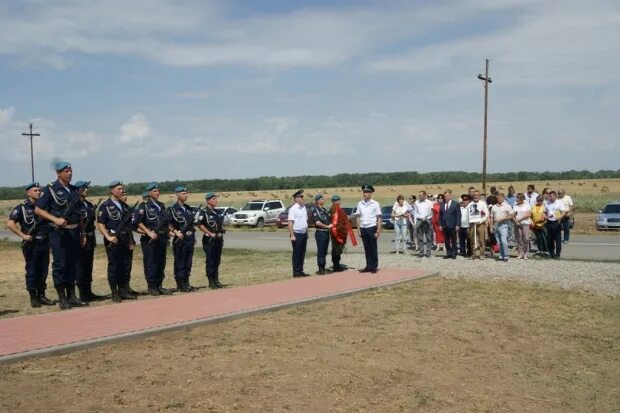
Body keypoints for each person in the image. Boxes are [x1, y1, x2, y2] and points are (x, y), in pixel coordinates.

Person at [35, 161, 88, 309]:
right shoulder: (50, 189)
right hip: (58, 233)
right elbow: (38, 210)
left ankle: (72, 296)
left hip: (74, 231)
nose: (69, 173)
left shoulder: (73, 190)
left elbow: (79, 214)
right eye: (66, 171)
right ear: (58, 173)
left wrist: (82, 232)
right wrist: (55, 219)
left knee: (73, 264)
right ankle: (62, 297)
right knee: (61, 265)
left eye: (70, 170)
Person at [6, 182, 54, 308]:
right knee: (32, 270)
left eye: (39, 190)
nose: (38, 192)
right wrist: (22, 235)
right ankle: (33, 296)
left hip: (44, 242)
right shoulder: (21, 207)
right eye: (35, 190)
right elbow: (10, 223)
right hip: (31, 244)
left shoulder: (44, 207)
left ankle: (41, 295)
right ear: (28, 193)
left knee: (43, 270)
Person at [97, 181, 137, 302]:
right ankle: (114, 292)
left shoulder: (125, 206)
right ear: (112, 190)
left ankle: (123, 290)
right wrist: (108, 237)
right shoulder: (106, 206)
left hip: (125, 239)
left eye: (122, 189)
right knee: (114, 266)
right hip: (113, 240)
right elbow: (100, 223)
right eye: (119, 189)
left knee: (125, 266)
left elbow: (129, 226)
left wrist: (130, 240)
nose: (121, 191)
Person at [136, 182, 173, 296]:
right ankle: (152, 286)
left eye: (158, 191)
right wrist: (148, 232)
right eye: (155, 191)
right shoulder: (144, 206)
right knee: (151, 263)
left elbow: (165, 223)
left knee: (161, 262)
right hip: (149, 240)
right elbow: (138, 221)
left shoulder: (161, 205)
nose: (157, 193)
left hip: (161, 237)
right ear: (149, 193)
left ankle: (159, 285)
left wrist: (169, 234)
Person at [74, 180, 106, 302]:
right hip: (80, 238)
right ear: (77, 190)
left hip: (90, 238)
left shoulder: (89, 205)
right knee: (80, 266)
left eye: (87, 188)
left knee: (88, 265)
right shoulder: (75, 205)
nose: (86, 190)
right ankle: (82, 293)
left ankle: (88, 291)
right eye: (83, 188)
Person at [169, 186, 197, 292]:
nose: (185, 195)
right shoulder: (172, 209)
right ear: (177, 195)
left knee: (188, 262)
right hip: (179, 240)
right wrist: (175, 232)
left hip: (189, 239)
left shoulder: (189, 208)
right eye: (183, 194)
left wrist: (193, 236)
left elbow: (191, 225)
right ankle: (180, 284)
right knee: (180, 262)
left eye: (186, 193)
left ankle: (187, 282)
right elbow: (168, 224)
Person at [197, 192, 225, 288]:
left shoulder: (218, 212)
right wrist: (209, 233)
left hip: (218, 239)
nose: (216, 200)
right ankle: (211, 281)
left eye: (216, 199)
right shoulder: (204, 212)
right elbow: (200, 225)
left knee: (217, 260)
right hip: (209, 240)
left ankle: (216, 279)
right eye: (213, 199)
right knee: (210, 260)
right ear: (208, 201)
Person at [355, 185, 381, 273]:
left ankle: (374, 267)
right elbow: (358, 217)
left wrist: (378, 230)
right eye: (364, 192)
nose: (365, 193)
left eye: (367, 192)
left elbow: (379, 218)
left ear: (371, 193)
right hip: (363, 227)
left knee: (373, 248)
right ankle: (368, 266)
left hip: (372, 227)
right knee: (366, 248)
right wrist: (358, 230)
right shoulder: (360, 203)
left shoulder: (375, 203)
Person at [329, 194, 356, 272]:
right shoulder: (334, 209)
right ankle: (336, 266)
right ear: (334, 201)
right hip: (336, 233)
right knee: (336, 249)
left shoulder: (338, 209)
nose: (340, 202)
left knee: (338, 249)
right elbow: (335, 222)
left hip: (340, 232)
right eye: (338, 200)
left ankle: (337, 264)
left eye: (339, 200)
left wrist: (347, 222)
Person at [288, 189, 309, 277]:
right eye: (300, 197)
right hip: (296, 233)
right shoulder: (293, 209)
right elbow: (290, 223)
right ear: (296, 199)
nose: (302, 198)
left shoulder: (303, 207)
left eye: (302, 197)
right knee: (297, 253)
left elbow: (305, 221)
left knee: (303, 252)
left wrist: (306, 233)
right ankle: (296, 271)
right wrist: (292, 235)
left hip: (304, 232)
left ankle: (301, 270)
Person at [489, 192, 514, 261]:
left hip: (504, 225)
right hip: (496, 226)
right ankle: (501, 254)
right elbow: (491, 218)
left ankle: (506, 255)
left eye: (500, 197)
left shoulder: (507, 206)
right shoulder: (494, 207)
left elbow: (512, 215)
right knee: (498, 242)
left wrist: (503, 218)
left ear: (503, 198)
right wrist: (491, 227)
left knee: (503, 241)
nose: (499, 199)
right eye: (497, 198)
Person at [312, 193, 333, 275]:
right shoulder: (316, 210)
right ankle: (321, 269)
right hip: (320, 233)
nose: (323, 200)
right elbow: (317, 223)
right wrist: (327, 226)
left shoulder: (324, 210)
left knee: (325, 251)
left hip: (326, 233)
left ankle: (323, 267)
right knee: (321, 252)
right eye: (322, 199)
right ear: (318, 201)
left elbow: (328, 219)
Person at [439, 189, 461, 259]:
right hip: (445, 225)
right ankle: (448, 252)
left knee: (453, 240)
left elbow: (458, 215)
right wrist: (440, 224)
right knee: (446, 240)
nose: (446, 197)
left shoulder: (455, 204)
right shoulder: (442, 204)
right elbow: (440, 215)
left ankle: (454, 253)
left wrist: (458, 224)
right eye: (445, 196)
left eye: (447, 196)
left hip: (453, 225)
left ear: (451, 196)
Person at [544, 190, 566, 259]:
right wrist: (545, 216)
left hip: (556, 223)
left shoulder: (559, 203)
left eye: (551, 196)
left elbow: (563, 212)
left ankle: (557, 254)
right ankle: (551, 253)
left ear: (555, 196)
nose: (550, 198)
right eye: (549, 196)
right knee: (549, 239)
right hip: (549, 222)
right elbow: (545, 212)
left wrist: (559, 218)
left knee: (557, 239)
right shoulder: (547, 203)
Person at [468, 190, 489, 260]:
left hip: (480, 224)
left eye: (477, 195)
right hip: (472, 224)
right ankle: (473, 254)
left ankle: (481, 254)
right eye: (474, 195)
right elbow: (468, 214)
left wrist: (480, 221)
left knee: (481, 240)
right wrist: (470, 221)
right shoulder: (470, 204)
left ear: (479, 196)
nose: (475, 196)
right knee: (472, 239)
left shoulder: (482, 204)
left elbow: (486, 214)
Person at [414, 191, 434, 258]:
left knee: (428, 237)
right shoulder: (416, 202)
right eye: (419, 195)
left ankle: (428, 252)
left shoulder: (429, 202)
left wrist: (427, 218)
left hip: (427, 220)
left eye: (421, 195)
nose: (419, 196)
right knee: (420, 237)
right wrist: (417, 220)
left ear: (425, 196)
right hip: (419, 220)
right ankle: (421, 252)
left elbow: (431, 212)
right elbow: (415, 212)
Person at [513, 193, 532, 259]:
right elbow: (513, 214)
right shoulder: (515, 205)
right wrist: (515, 221)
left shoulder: (527, 205)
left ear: (522, 199)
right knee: (519, 238)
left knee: (526, 238)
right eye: (516, 198)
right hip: (517, 224)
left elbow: (528, 215)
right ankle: (520, 253)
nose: (517, 199)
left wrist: (519, 219)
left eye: (518, 198)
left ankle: (525, 253)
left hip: (525, 223)